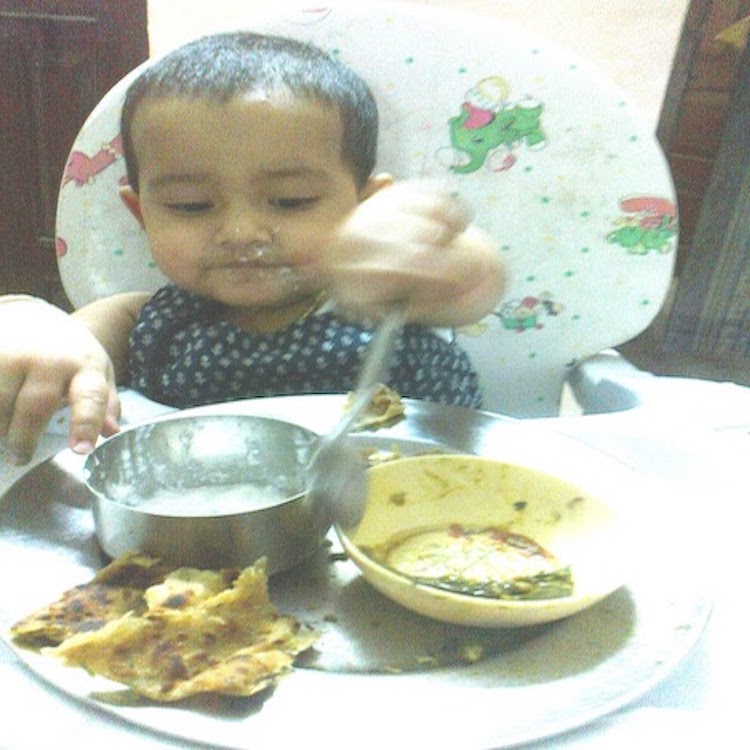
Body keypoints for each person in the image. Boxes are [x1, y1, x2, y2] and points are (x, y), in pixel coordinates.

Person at [0, 32, 505, 466]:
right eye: (191, 205)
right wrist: (33, 324)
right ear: (142, 215)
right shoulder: (159, 322)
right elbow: (68, 340)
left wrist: (414, 243)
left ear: (365, 203)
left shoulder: (389, 291)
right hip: (209, 531)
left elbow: (470, 281)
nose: (241, 232)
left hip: (424, 514)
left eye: (291, 200)